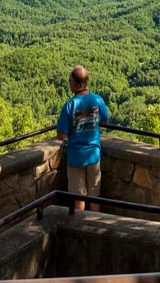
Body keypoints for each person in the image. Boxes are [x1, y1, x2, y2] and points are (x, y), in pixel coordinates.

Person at [56, 65, 110, 211]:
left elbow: (60, 135)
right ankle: (95, 226)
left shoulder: (69, 105)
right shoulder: (97, 100)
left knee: (78, 200)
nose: (69, 84)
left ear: (75, 82)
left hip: (76, 157)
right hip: (94, 155)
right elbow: (105, 121)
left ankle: (80, 229)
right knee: (94, 198)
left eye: (70, 81)